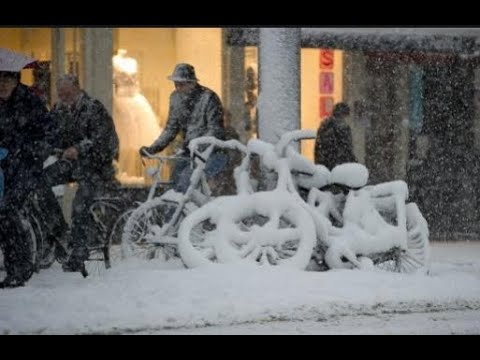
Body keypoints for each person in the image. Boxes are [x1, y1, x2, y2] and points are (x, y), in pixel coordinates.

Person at [44, 74, 120, 274]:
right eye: (60, 94)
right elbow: (50, 136)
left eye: (67, 93)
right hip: (72, 164)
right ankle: (59, 230)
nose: (64, 97)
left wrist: (79, 149)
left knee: (81, 204)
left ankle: (79, 252)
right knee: (38, 182)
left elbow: (105, 141)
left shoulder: (94, 108)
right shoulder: (59, 110)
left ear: (77, 88)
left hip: (96, 167)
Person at [0, 68, 53, 288]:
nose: (2, 85)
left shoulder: (30, 102)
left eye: (6, 80)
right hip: (4, 167)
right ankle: (14, 266)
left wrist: (25, 151)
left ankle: (20, 268)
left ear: (15, 80)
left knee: (8, 212)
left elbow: (47, 134)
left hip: (25, 168)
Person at [140, 63, 225, 193]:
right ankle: (177, 210)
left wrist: (197, 146)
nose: (178, 88)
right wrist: (154, 148)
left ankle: (189, 210)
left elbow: (215, 130)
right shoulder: (175, 98)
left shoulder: (209, 98)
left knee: (186, 181)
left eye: (182, 84)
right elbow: (171, 128)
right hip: (189, 153)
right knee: (174, 183)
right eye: (176, 84)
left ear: (192, 83)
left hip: (212, 153)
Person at [314, 102, 356, 170]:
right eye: (346, 116)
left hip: (327, 166)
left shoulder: (325, 126)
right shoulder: (341, 129)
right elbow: (347, 149)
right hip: (337, 166)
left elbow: (319, 149)